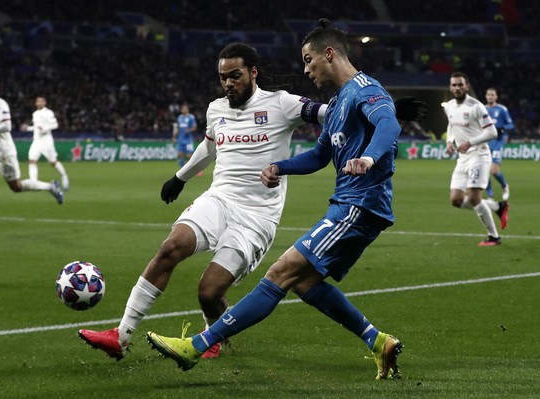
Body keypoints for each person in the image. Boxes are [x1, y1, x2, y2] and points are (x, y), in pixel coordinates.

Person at [78, 41, 424, 363]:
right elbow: (211, 146)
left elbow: (332, 116)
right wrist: (180, 178)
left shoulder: (282, 103)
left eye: (235, 75)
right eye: (222, 77)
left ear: (253, 73)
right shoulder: (216, 110)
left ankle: (211, 338)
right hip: (219, 199)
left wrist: (387, 113)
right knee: (173, 246)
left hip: (257, 216)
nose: (227, 83)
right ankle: (122, 335)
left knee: (209, 292)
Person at [146, 19, 406, 380]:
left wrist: (369, 158)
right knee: (304, 282)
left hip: (360, 205)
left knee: (280, 273)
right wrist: (278, 167)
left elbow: (389, 125)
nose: (305, 69)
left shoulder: (365, 89)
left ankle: (198, 346)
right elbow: (318, 157)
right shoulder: (339, 101)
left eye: (308, 60)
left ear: (329, 54)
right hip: (349, 204)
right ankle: (379, 342)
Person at [0, 75, 64, 231]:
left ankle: (50, 187)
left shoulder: (0, 104)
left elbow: (7, 126)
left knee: (16, 186)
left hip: (5, 152)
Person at [444, 72, 508, 246]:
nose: (457, 88)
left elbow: (492, 132)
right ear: (450, 87)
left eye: (460, 85)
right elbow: (451, 125)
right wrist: (450, 141)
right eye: (454, 85)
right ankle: (497, 207)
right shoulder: (449, 106)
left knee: (473, 197)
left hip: (479, 155)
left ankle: (494, 237)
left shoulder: (476, 106)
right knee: (456, 200)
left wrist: (469, 142)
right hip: (462, 158)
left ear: (466, 86)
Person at [21, 96, 69, 191]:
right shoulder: (35, 113)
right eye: (37, 101)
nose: (39, 103)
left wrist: (45, 129)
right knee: (32, 160)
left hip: (47, 141)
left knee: (53, 162)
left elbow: (55, 125)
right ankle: (34, 183)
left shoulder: (48, 113)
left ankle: (64, 176)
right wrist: (28, 128)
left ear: (45, 103)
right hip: (37, 141)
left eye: (41, 101)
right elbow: (36, 127)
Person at [484, 87, 514, 201]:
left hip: (497, 142)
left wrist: (502, 128)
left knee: (494, 170)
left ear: (496, 97)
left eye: (492, 95)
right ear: (486, 96)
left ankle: (505, 186)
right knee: (485, 171)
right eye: (488, 94)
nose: (490, 96)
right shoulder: (482, 109)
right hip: (485, 143)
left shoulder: (502, 109)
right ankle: (490, 195)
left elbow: (511, 125)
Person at [172, 103, 197, 169]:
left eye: (185, 109)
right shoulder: (180, 117)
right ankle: (182, 169)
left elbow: (195, 127)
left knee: (189, 156)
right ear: (181, 110)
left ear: (187, 110)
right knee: (180, 154)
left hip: (188, 140)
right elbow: (178, 128)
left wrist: (189, 130)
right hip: (181, 139)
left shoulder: (191, 117)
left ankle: (196, 169)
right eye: (183, 109)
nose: (184, 110)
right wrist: (174, 136)